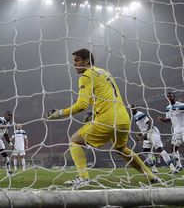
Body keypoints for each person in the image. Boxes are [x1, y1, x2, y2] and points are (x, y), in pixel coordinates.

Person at [47, 48, 158, 188]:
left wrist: (59, 113)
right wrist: (94, 113)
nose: (74, 64)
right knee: (121, 148)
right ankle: (150, 175)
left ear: (87, 61)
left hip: (108, 119)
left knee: (75, 141)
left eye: (77, 60)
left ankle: (83, 178)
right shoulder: (104, 72)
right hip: (123, 117)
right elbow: (107, 96)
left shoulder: (86, 75)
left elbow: (81, 105)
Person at [131, 104, 176, 173]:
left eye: (134, 107)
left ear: (136, 108)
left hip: (152, 132)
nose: (133, 109)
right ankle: (154, 169)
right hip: (147, 134)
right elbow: (143, 127)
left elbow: (150, 122)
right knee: (145, 152)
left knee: (159, 149)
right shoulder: (134, 116)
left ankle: (172, 168)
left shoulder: (140, 114)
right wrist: (140, 134)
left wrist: (146, 132)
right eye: (132, 107)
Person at [157, 92, 184, 171]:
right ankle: (179, 165)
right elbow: (168, 120)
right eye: (168, 97)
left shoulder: (181, 105)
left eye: (171, 96)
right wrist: (162, 119)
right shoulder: (168, 108)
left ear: (174, 97)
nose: (169, 97)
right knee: (173, 149)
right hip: (176, 130)